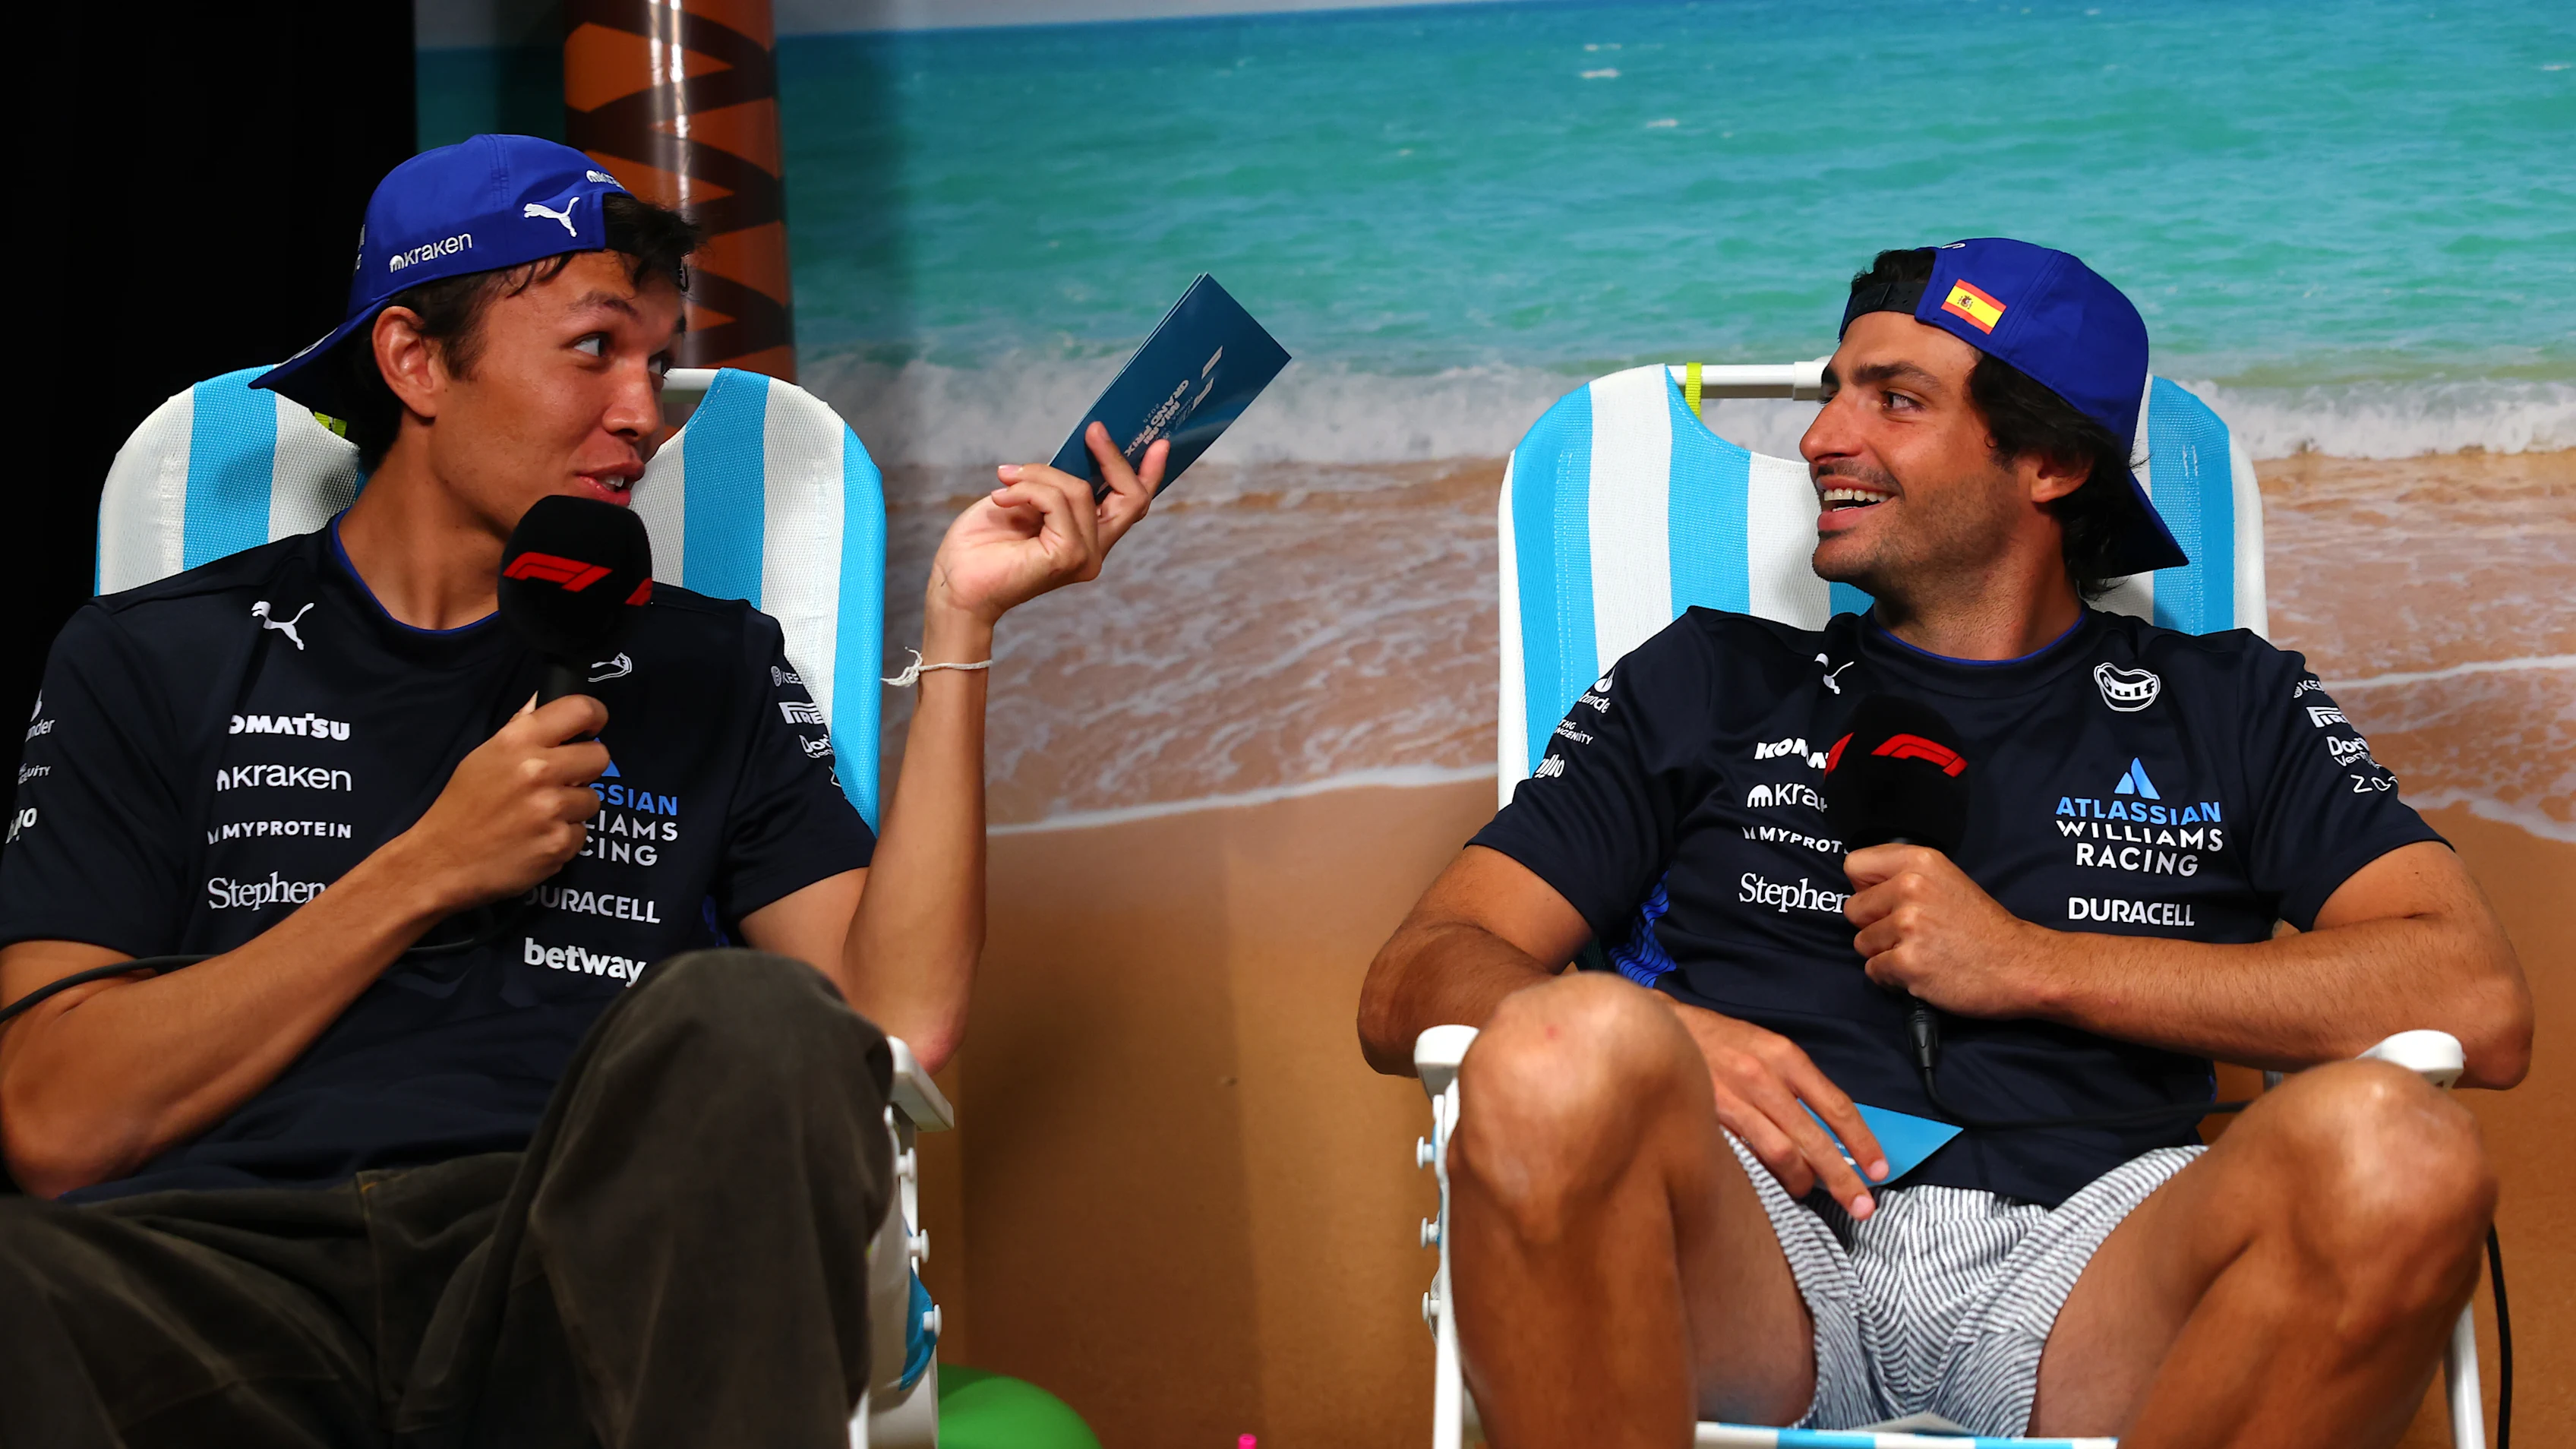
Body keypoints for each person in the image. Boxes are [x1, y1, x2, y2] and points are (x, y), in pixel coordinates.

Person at [0, 135, 1160, 1447]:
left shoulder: (704, 661)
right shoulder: (154, 655)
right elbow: (53, 1118)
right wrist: (427, 867)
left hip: (572, 1268)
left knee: (754, 1010)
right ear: (415, 360)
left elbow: (893, 1020)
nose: (646, 414)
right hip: (223, 1281)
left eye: (659, 364)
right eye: (594, 349)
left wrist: (963, 628)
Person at [1356, 238, 2531, 1448]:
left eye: (1895, 400)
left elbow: (2474, 998)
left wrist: (2029, 961)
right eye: (1831, 395)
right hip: (1754, 1237)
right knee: (1561, 1046)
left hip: (2101, 1255)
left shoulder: (2229, 703)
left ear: (2052, 462)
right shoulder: (1709, 679)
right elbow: (1418, 973)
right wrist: (1671, 1042)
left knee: (2402, 1155)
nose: (1821, 440)